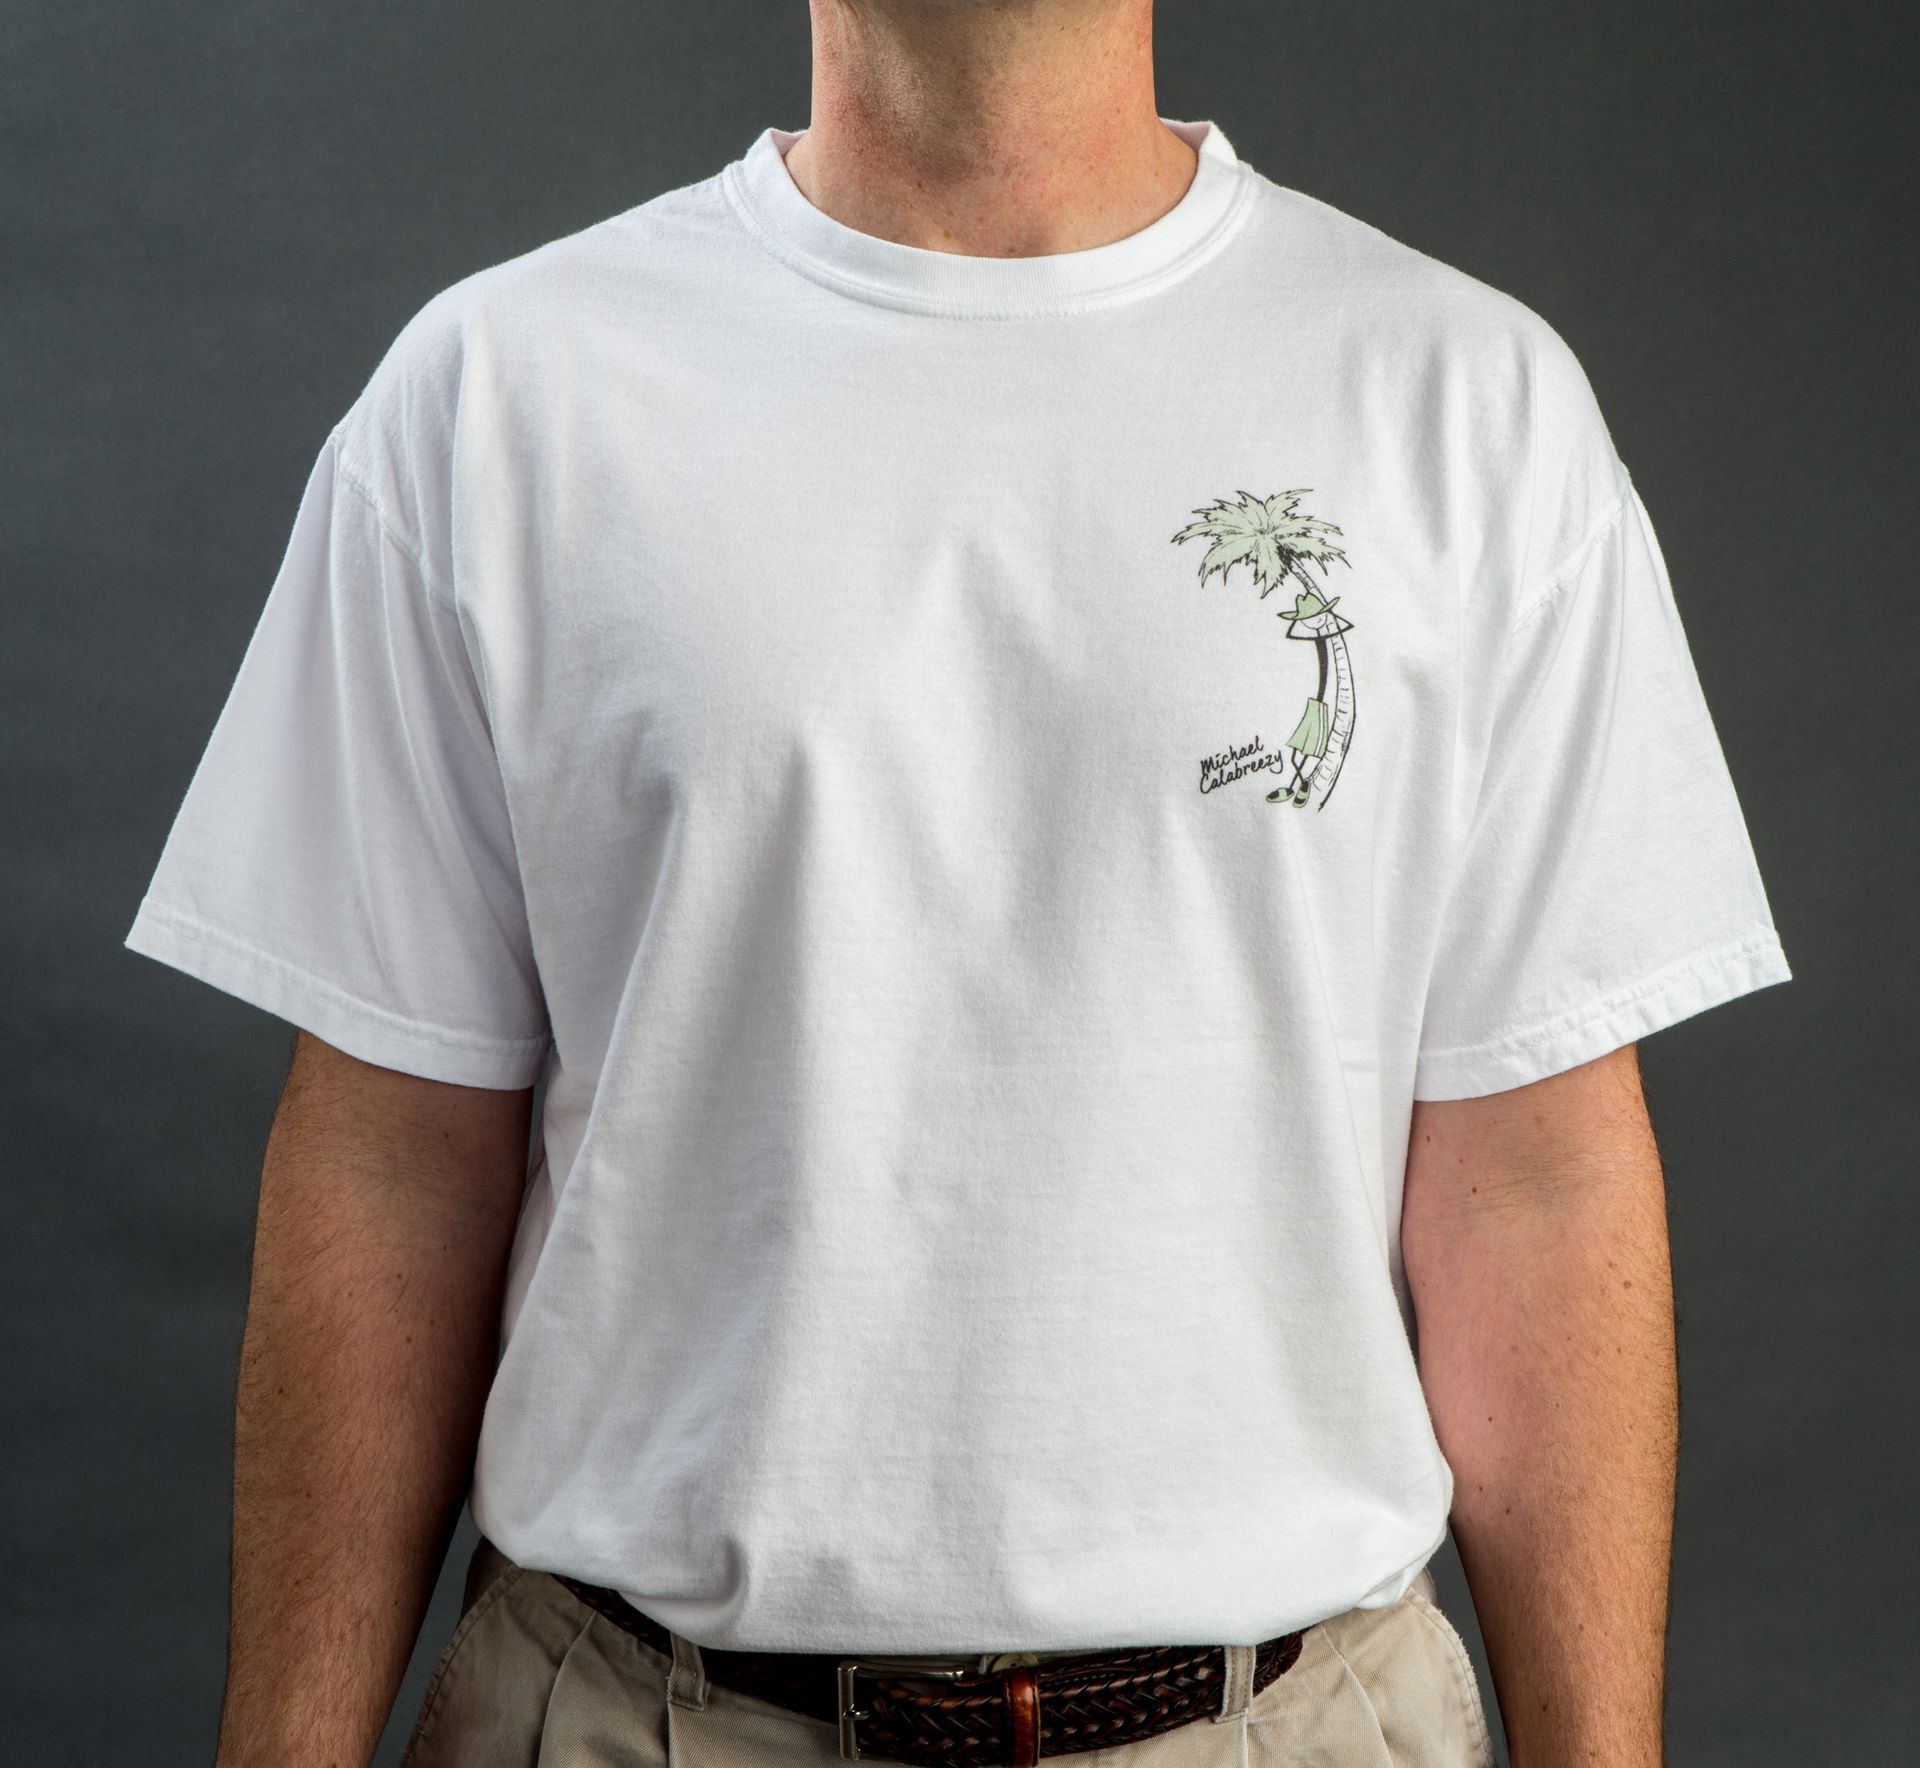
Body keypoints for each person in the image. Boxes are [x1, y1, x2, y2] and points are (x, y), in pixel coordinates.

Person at [123, 3, 1791, 1765]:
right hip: (639, 1723)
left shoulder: (1469, 408)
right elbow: (393, 1157)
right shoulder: (497, 398)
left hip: (1293, 1726)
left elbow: (1534, 1178)